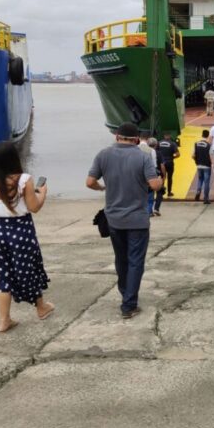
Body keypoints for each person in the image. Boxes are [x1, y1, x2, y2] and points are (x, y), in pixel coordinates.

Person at [86, 123, 162, 319]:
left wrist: (102, 188)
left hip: (114, 219)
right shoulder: (143, 157)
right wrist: (159, 180)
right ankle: (129, 304)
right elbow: (154, 184)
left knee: (121, 259)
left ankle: (125, 293)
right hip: (137, 219)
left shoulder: (103, 155)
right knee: (136, 261)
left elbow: (89, 182)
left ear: (117, 136)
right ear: (136, 139)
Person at [0, 141, 53, 333]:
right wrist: (43, 194)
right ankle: (41, 308)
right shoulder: (24, 180)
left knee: (4, 275)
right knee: (29, 270)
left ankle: (4, 320)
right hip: (20, 231)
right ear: (14, 157)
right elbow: (34, 207)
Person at [192, 129, 212, 204]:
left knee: (200, 179)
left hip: (199, 165)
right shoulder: (209, 145)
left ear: (202, 135)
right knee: (206, 182)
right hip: (207, 166)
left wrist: (196, 162)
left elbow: (193, 155)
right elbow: (210, 156)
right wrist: (212, 164)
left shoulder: (196, 144)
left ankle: (198, 191)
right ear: (207, 136)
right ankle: (206, 198)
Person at [148, 137, 167, 216]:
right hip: (157, 174)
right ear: (156, 144)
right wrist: (164, 175)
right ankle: (156, 208)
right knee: (160, 191)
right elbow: (162, 165)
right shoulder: (159, 153)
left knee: (150, 191)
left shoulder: (146, 152)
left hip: (148, 174)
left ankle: (149, 210)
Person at [158, 133, 179, 197]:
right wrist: (173, 157)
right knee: (170, 177)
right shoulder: (173, 144)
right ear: (170, 136)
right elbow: (178, 154)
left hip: (161, 163)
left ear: (164, 136)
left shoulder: (159, 143)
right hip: (169, 162)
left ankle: (160, 192)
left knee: (162, 177)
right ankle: (169, 192)